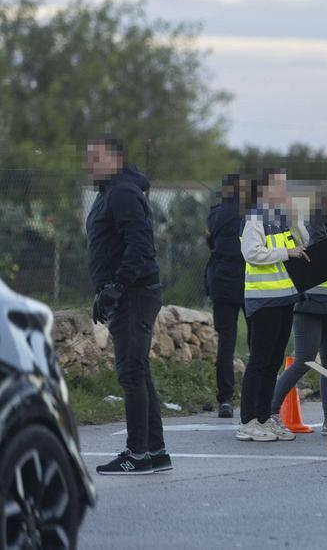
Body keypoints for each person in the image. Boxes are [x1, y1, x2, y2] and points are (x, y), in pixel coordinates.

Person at [86, 137, 171, 475]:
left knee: (131, 372)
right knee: (139, 371)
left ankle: (137, 454)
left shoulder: (122, 192)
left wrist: (117, 287)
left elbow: (139, 244)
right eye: (88, 157)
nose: (89, 163)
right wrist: (105, 289)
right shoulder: (112, 191)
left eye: (96, 157)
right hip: (128, 293)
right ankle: (155, 450)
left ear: (116, 160)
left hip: (134, 294)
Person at [271, 185, 327, 436]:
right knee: (304, 361)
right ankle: (270, 410)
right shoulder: (313, 223)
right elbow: (322, 257)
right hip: (309, 303)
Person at [237, 168, 310, 443]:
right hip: (263, 299)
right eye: (278, 185)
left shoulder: (282, 217)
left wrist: (297, 219)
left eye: (285, 184)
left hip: (284, 297)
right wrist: (285, 252)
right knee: (259, 360)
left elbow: (303, 244)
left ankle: (265, 417)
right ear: (264, 189)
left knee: (273, 362)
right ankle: (248, 421)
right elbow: (251, 253)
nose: (284, 190)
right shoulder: (255, 217)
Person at [205, 173, 249, 419]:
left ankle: (225, 400)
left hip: (221, 284)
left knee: (226, 343)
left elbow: (210, 243)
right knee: (257, 341)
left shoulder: (215, 214)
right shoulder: (253, 215)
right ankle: (255, 396)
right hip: (250, 284)